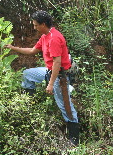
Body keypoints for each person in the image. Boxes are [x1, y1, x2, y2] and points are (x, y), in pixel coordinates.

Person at [5, 10, 80, 146]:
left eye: (35, 25)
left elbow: (57, 63)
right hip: (49, 71)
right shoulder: (45, 36)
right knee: (27, 74)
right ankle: (30, 103)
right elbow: (33, 51)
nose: (34, 28)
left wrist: (51, 84)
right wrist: (13, 48)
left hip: (59, 76)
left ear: (43, 24)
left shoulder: (54, 38)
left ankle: (74, 140)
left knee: (65, 107)